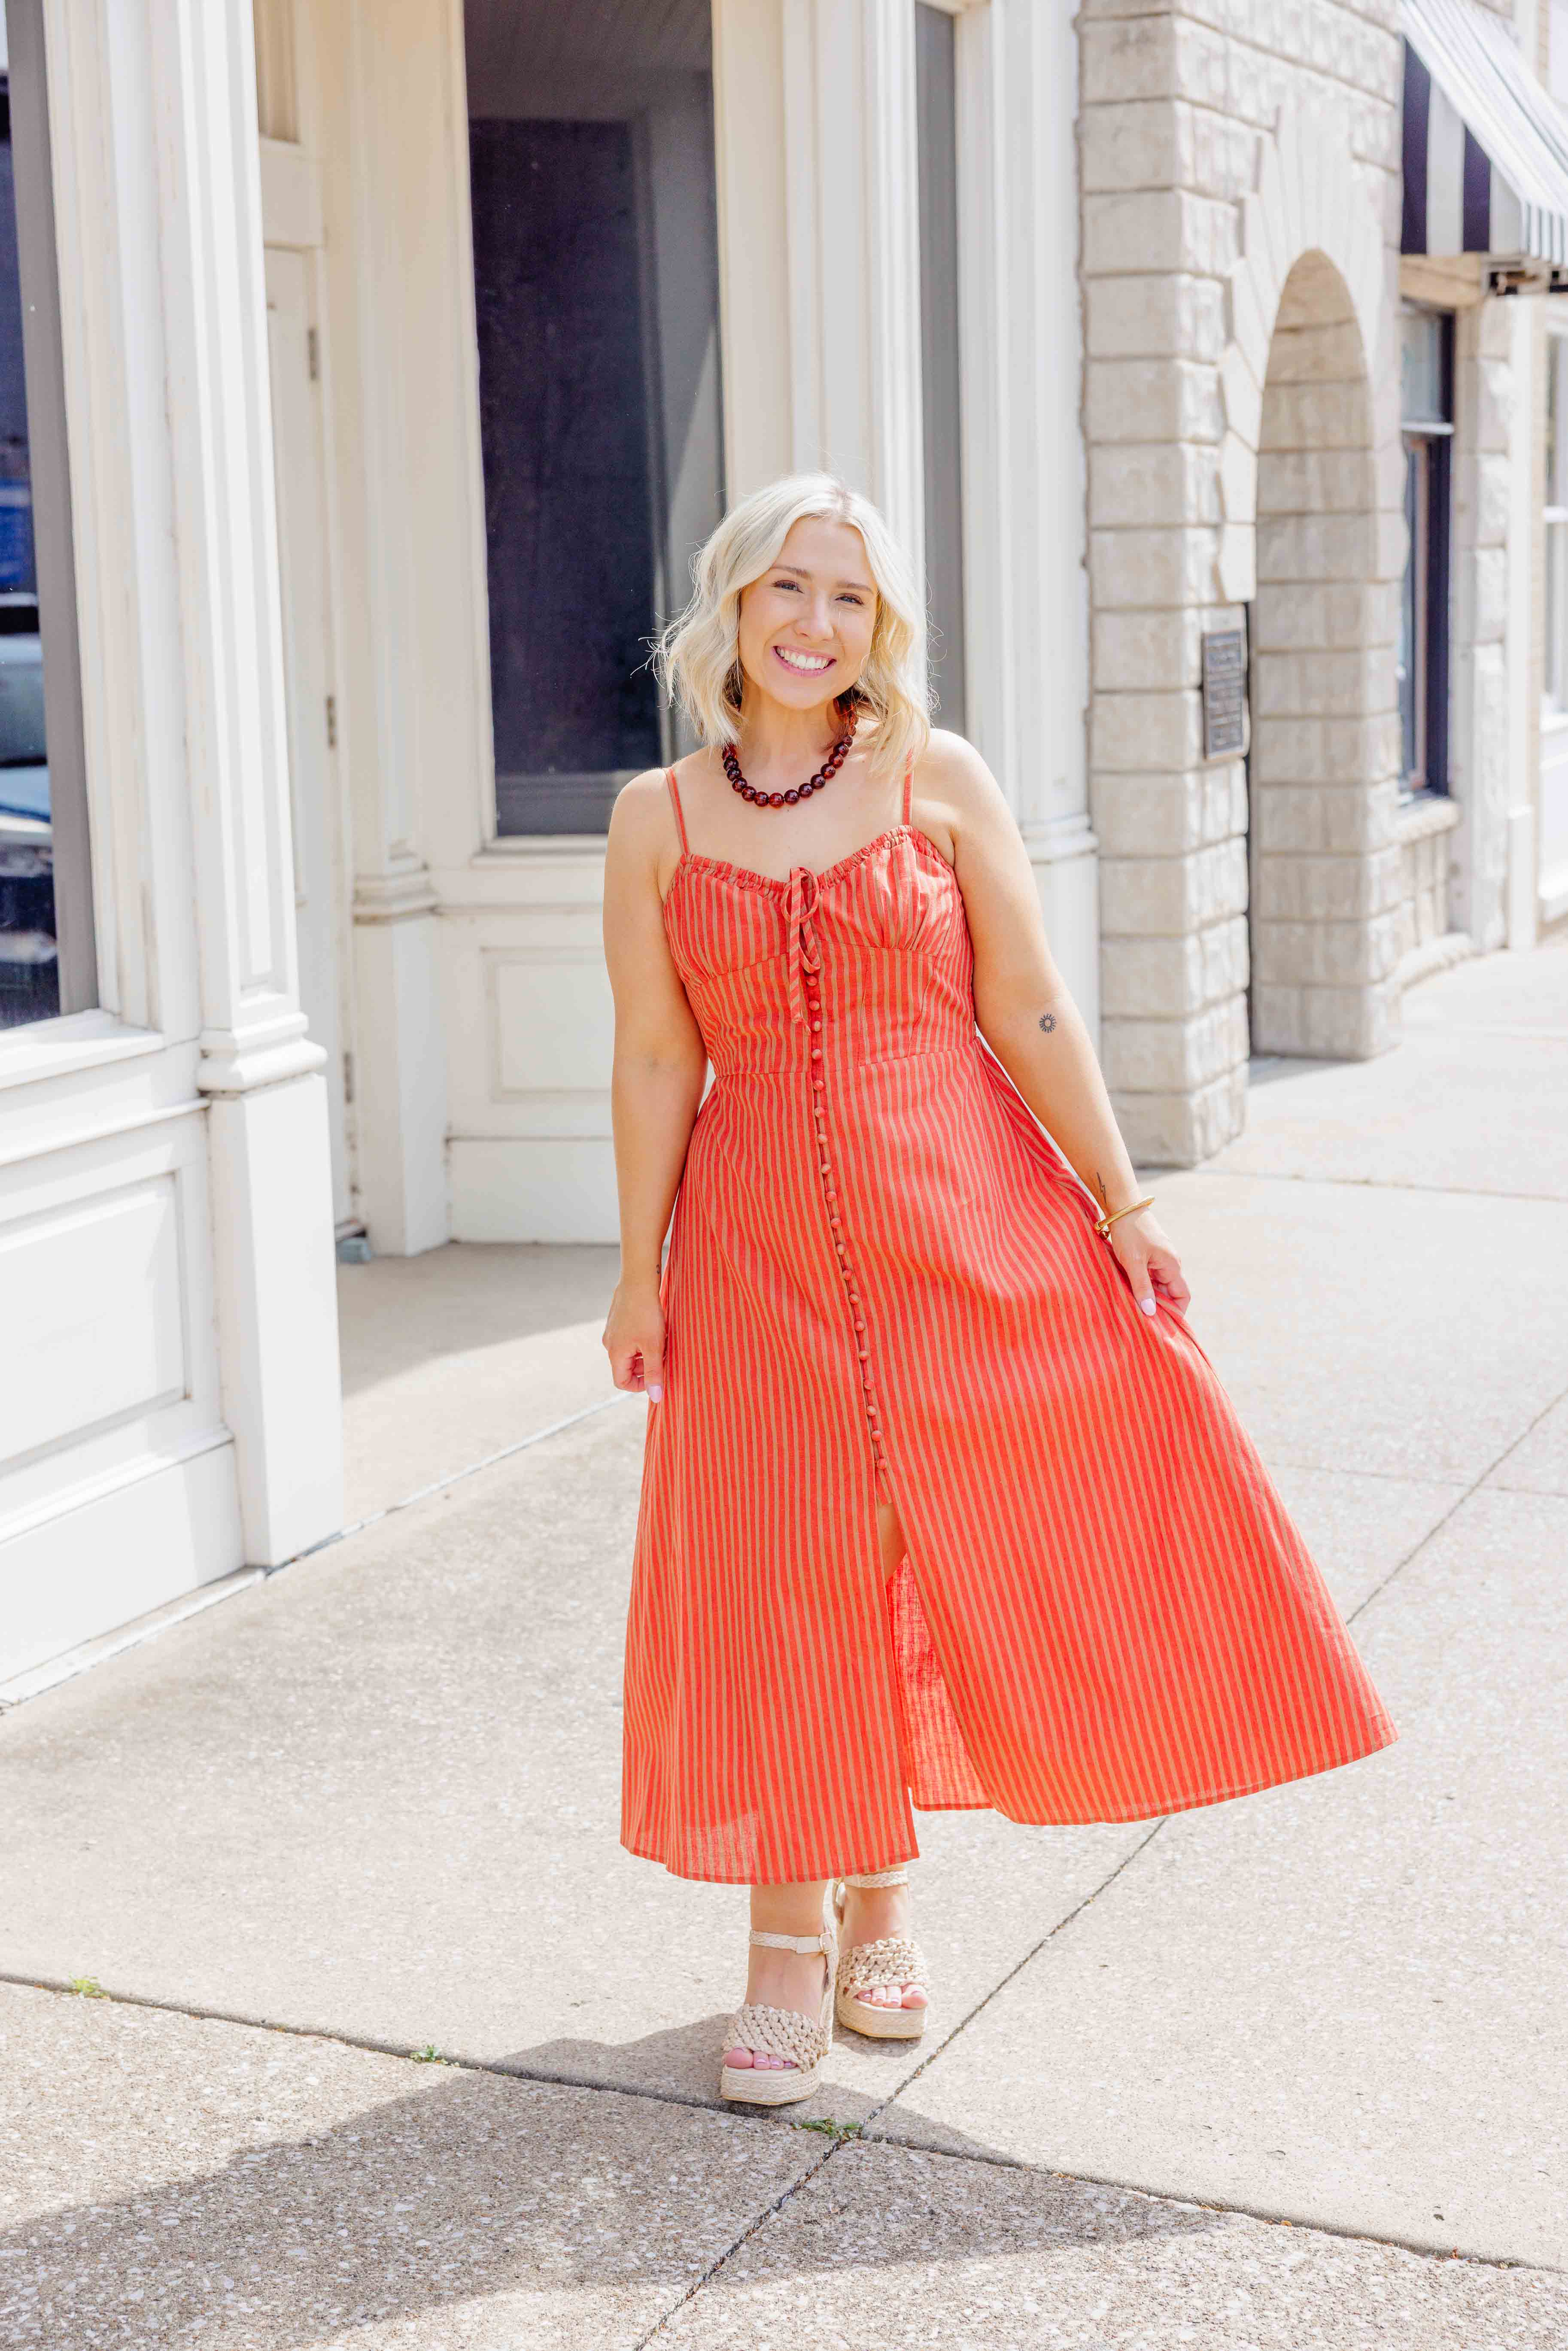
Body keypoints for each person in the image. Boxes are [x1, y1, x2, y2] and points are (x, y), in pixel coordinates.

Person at [600, 473, 1396, 2110]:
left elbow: (1027, 1004)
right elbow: (656, 1053)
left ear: (880, 625)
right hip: (752, 1252)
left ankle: (884, 1900)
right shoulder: (654, 816)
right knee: (783, 1572)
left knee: (956, 1540)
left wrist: (1120, 1201)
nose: (817, 623)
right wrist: (635, 1268)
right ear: (732, 603)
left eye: (850, 597)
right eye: (789, 588)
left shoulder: (936, 778)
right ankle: (786, 1943)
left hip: (963, 1217)